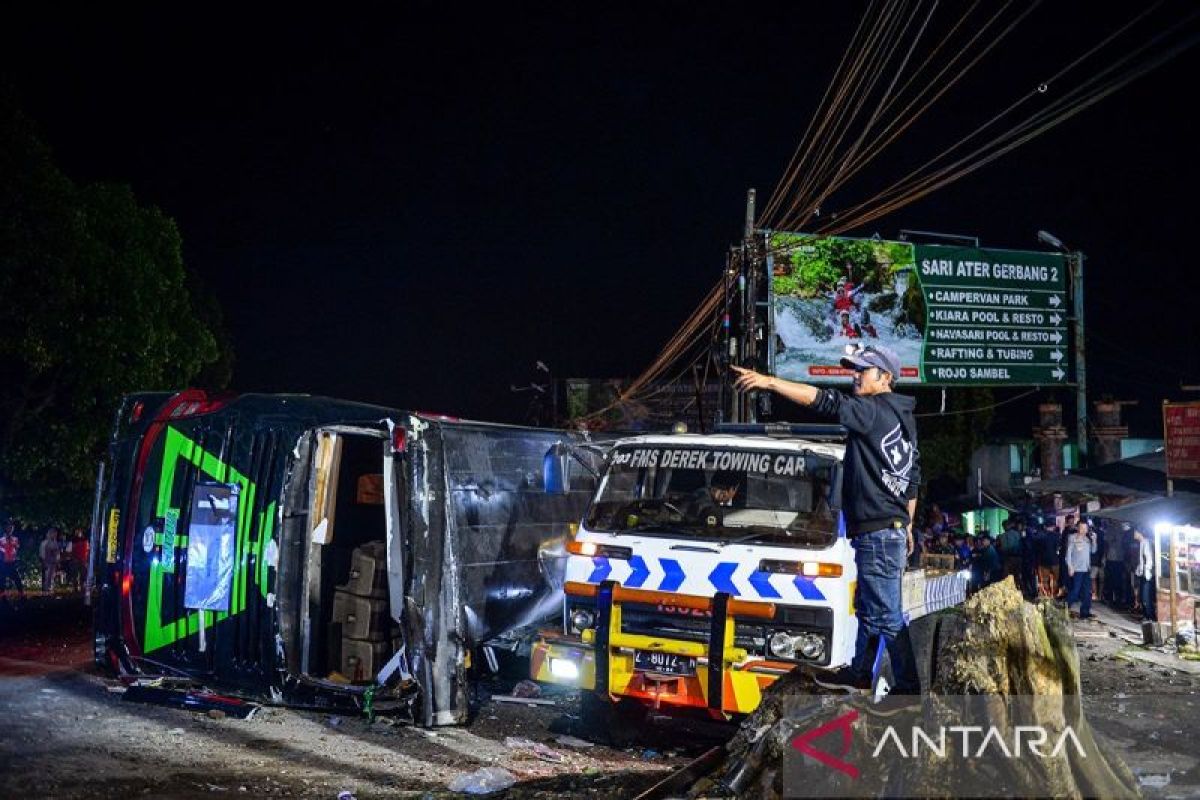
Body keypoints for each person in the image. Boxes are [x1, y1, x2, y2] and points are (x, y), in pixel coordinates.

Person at [733, 343, 921, 707]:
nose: (855, 376)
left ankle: (909, 690)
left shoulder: (873, 411)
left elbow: (823, 401)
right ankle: (860, 671)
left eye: (862, 371)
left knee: (886, 616)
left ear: (884, 378)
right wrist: (907, 524)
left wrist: (771, 382)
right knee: (869, 607)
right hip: (888, 528)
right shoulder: (903, 419)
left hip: (880, 532)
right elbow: (913, 477)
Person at [1065, 521, 1097, 619]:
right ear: (1077, 528)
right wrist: (1070, 566)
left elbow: (1093, 551)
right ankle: (1064, 607)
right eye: (1082, 528)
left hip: (1086, 569)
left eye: (1085, 528)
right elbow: (1068, 554)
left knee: (1087, 592)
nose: (1084, 530)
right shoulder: (1072, 538)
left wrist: (1094, 540)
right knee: (1075, 591)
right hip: (1076, 569)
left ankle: (1085, 612)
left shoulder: (1087, 539)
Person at [1132, 528, 1157, 622]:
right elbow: (1142, 560)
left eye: (1135, 532)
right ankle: (1146, 615)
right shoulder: (1143, 542)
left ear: (1139, 533)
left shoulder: (1146, 542)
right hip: (1144, 574)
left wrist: (1147, 570)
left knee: (1146, 596)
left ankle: (1150, 616)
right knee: (1143, 596)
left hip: (1148, 574)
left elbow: (1148, 558)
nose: (1134, 534)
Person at [1103, 521, 1127, 608]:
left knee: (1117, 580)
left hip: (1119, 558)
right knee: (1112, 580)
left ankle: (1117, 599)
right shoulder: (1110, 529)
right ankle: (1111, 598)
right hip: (1112, 558)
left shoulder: (1122, 529)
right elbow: (1106, 544)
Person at [1035, 519, 1060, 599]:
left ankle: (1047, 595)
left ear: (1045, 527)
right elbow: (1058, 548)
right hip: (1055, 560)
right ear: (1053, 527)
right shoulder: (1057, 536)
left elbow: (1037, 550)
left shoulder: (1040, 536)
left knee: (1045, 580)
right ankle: (1054, 595)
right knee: (1055, 579)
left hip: (1044, 561)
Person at [0, 522, 25, 603]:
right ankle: (3, 597)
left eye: (11, 528)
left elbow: (17, 549)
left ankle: (21, 595)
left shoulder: (15, 539)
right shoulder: (1, 539)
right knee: (2, 580)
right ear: (5, 528)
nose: (10, 529)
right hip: (3, 563)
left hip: (12, 562)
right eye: (9, 527)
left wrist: (15, 555)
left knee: (17, 578)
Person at [996, 518, 1022, 583]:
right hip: (1015, 558)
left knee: (1008, 577)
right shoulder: (1017, 534)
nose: (1005, 527)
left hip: (1008, 559)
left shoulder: (1001, 536)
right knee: (1016, 576)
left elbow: (999, 548)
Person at [39, 527, 62, 593]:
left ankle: (49, 589)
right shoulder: (44, 543)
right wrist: (43, 562)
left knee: (51, 577)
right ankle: (45, 591)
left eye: (56, 534)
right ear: (50, 534)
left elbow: (57, 553)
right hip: (47, 562)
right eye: (53, 533)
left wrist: (58, 561)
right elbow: (41, 553)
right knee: (46, 577)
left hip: (53, 563)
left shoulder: (55, 542)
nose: (55, 535)